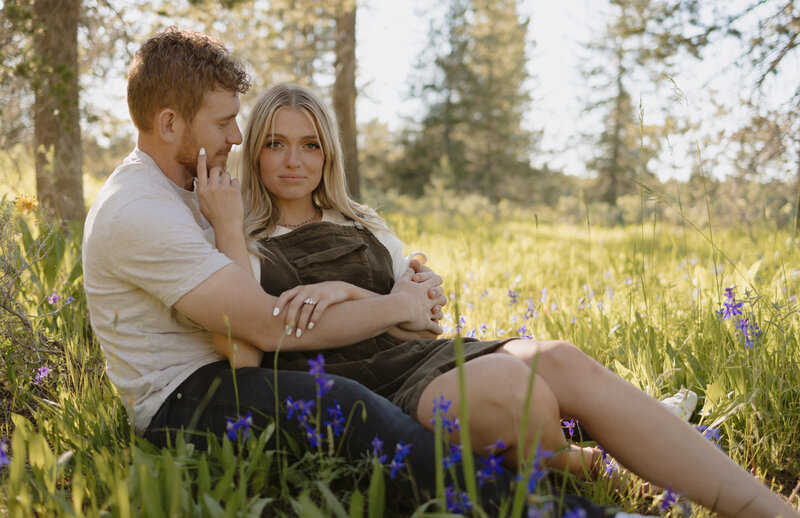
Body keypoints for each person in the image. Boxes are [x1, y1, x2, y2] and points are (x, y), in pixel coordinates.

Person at [202, 82, 799, 518]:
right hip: (362, 392)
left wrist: (354, 290)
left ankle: (768, 510)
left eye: (309, 145)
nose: (293, 160)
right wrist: (228, 229)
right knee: (519, 393)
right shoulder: (247, 242)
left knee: (561, 357)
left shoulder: (364, 224)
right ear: (255, 150)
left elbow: (421, 325)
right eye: (276, 143)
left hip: (417, 362)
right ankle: (577, 462)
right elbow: (244, 356)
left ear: (328, 154)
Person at [81, 27, 535, 512]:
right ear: (169, 124)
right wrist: (391, 305)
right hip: (184, 398)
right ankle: (527, 508)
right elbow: (261, 328)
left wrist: (407, 282)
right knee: (345, 403)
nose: (236, 137)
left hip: (234, 367)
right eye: (224, 123)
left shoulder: (194, 189)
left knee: (360, 394)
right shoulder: (138, 208)